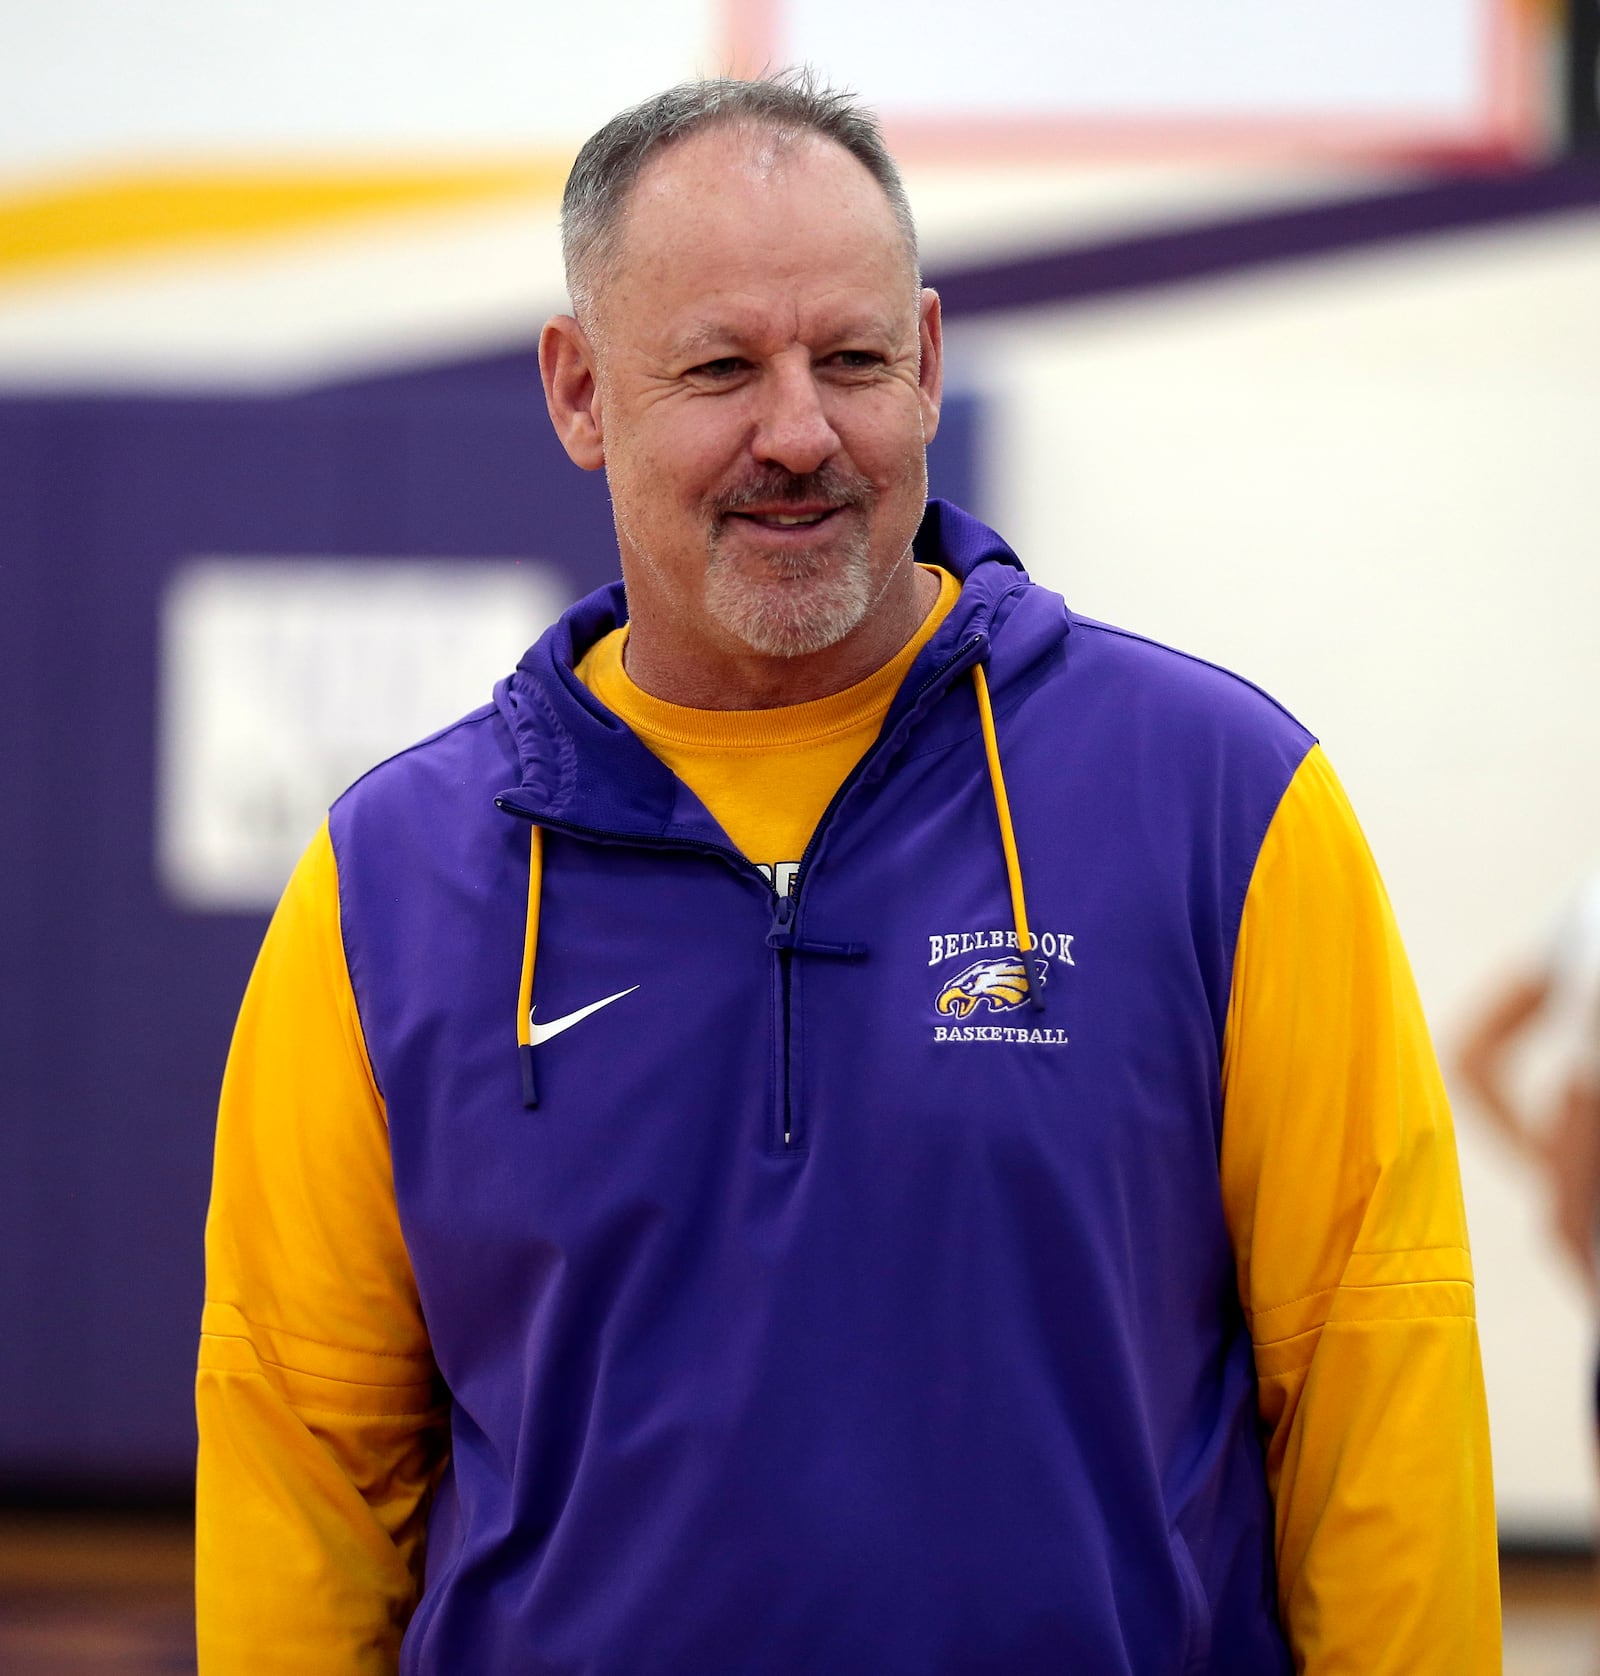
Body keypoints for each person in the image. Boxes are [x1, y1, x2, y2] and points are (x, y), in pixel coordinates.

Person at [196, 72, 1499, 1675]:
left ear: (933, 363)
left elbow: (1378, 1390)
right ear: (579, 389)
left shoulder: (1228, 803)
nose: (800, 432)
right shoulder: (388, 887)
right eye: (723, 367)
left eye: (855, 360)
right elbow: (305, 1468)